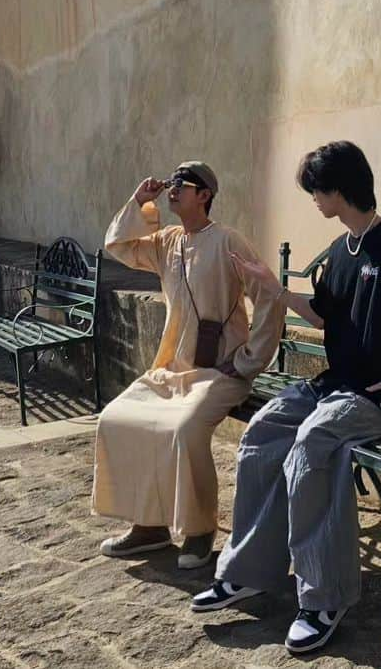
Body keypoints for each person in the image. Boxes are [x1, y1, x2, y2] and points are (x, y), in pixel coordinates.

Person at [191, 140, 381, 655]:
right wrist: (273, 287)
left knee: (312, 446)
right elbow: (324, 314)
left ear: (339, 188)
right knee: (263, 428)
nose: (313, 198)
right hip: (338, 385)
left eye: (316, 189)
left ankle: (323, 598)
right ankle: (245, 572)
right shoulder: (341, 251)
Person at [92, 161, 284, 570]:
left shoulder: (229, 241)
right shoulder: (167, 241)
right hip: (172, 371)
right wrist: (140, 203)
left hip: (221, 373)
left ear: (205, 195)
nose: (174, 188)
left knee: (184, 430)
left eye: (184, 184)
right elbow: (120, 245)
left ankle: (199, 530)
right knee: (117, 418)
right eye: (172, 182)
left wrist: (249, 360)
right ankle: (149, 526)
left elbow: (269, 296)